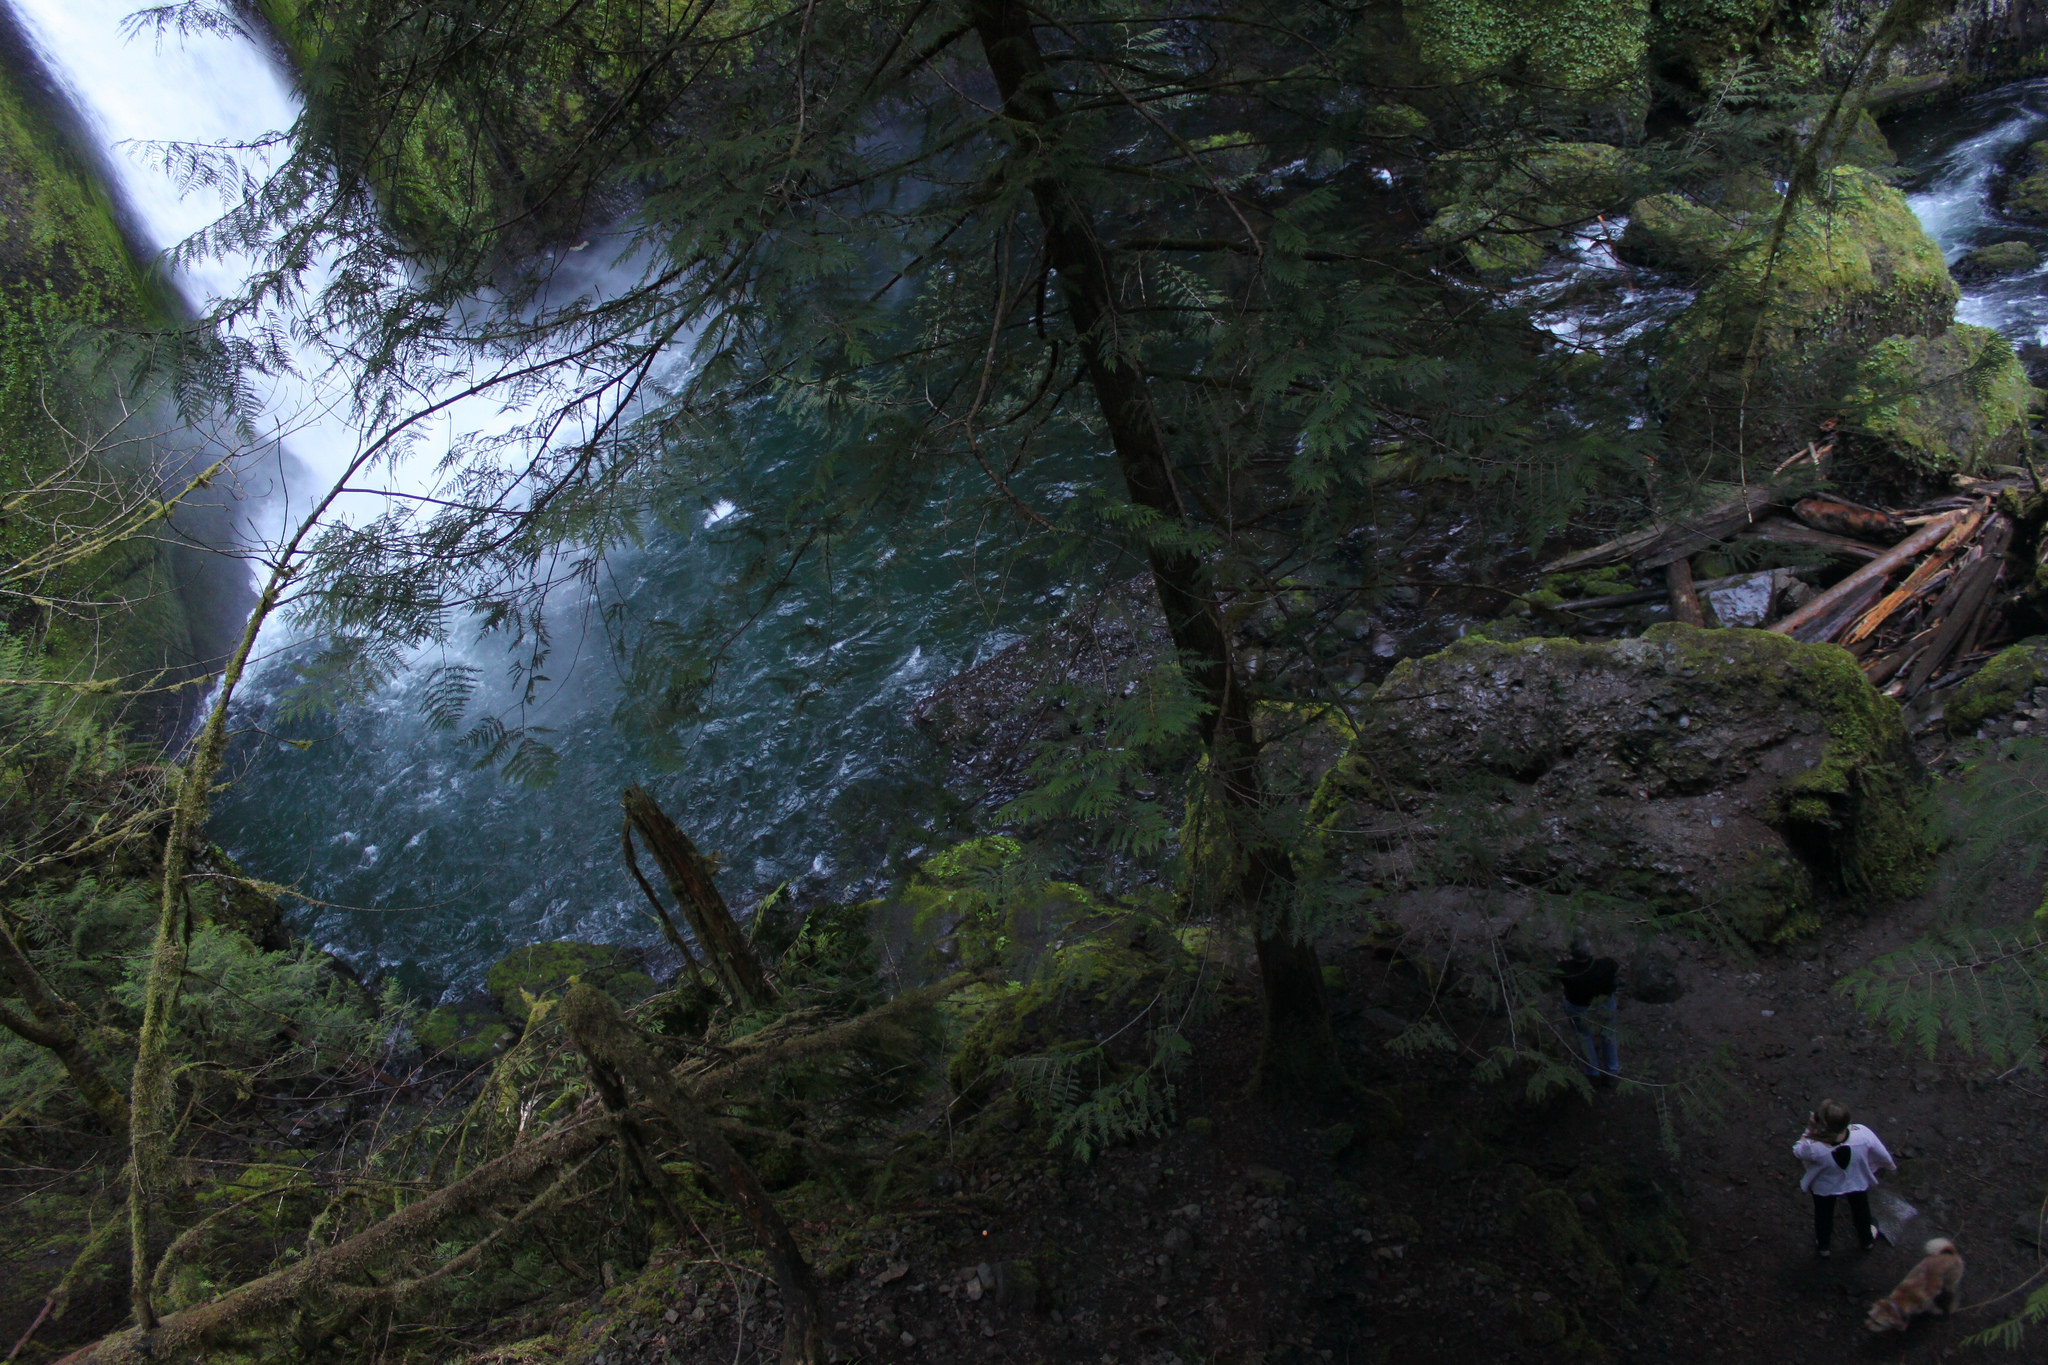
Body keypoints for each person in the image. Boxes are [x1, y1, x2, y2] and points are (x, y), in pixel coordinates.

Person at [1794, 1099, 1897, 1258]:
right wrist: (1889, 1165)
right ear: (1848, 1121)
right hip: (1857, 1180)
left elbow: (1798, 1151)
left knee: (1823, 1215)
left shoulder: (1813, 1146)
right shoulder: (1862, 1134)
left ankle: (1824, 1246)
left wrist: (1810, 1129)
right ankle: (1866, 1240)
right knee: (1861, 1210)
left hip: (1825, 1187)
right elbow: (1880, 1150)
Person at [1557, 933, 1620, 1087]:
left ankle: (1592, 1072)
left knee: (1583, 1036)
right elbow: (1615, 968)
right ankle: (1612, 1071)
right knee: (1608, 1033)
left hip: (1579, 1007)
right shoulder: (1606, 965)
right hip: (1604, 1005)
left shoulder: (1564, 969)